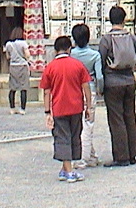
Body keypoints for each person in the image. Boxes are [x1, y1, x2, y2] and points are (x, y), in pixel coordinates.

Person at [41, 35, 93, 183]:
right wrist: (88, 107)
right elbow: (86, 87)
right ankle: (69, 170)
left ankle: (66, 169)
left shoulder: (50, 67)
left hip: (59, 108)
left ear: (56, 50)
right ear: (70, 48)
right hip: (76, 106)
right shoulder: (78, 65)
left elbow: (46, 91)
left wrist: (47, 111)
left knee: (62, 137)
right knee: (74, 136)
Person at [98, 5, 136, 167]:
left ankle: (121, 156)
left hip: (113, 81)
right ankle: (132, 153)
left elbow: (101, 60)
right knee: (130, 116)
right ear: (124, 19)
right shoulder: (131, 37)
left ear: (110, 19)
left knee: (116, 119)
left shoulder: (107, 39)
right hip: (130, 79)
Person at [70, 23, 104, 168]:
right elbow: (100, 76)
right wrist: (100, 88)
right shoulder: (95, 55)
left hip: (74, 90)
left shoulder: (71, 55)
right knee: (88, 124)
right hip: (89, 89)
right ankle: (83, 158)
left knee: (77, 124)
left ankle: (91, 156)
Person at [4, 27, 32, 114]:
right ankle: (22, 109)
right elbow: (27, 55)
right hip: (23, 66)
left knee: (13, 88)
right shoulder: (23, 43)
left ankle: (12, 108)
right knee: (23, 88)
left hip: (13, 67)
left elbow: (8, 57)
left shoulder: (8, 44)